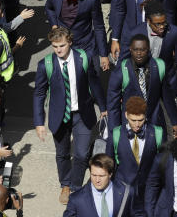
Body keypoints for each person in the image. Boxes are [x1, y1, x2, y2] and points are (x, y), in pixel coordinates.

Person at [33, 27, 107, 205]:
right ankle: (64, 185)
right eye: (55, 46)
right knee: (62, 154)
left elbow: (94, 82)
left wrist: (103, 106)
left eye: (62, 45)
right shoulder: (46, 65)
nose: (58, 50)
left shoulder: (83, 58)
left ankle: (74, 186)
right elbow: (39, 94)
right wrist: (39, 122)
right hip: (60, 116)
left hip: (82, 114)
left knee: (81, 154)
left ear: (70, 42)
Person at [63, 154, 135, 217]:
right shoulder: (76, 199)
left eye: (101, 176)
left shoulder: (127, 192)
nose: (97, 180)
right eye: (94, 175)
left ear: (110, 174)